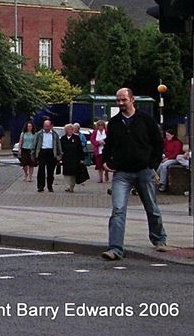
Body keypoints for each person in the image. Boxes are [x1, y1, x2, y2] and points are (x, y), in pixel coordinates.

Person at [101, 88, 170, 260]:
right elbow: (109, 144)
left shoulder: (146, 120)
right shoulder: (115, 122)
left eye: (123, 100)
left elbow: (157, 143)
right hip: (122, 172)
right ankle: (115, 248)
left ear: (132, 99)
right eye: (118, 100)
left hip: (144, 170)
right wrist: (105, 161)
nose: (120, 103)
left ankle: (159, 239)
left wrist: (152, 164)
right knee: (118, 209)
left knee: (152, 207)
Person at [35, 119, 62, 192]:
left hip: (51, 152)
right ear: (43, 126)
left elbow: (58, 144)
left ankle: (50, 185)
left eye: (48, 126)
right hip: (42, 152)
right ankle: (40, 186)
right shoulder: (39, 134)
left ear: (50, 126)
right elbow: (35, 144)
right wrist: (34, 154)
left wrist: (59, 155)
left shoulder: (54, 134)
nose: (46, 128)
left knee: (50, 171)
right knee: (41, 170)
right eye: (45, 126)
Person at [60, 123, 84, 192]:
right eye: (68, 129)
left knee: (73, 173)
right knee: (66, 172)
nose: (69, 131)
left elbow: (80, 148)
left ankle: (71, 186)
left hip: (75, 158)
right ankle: (67, 186)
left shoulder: (76, 138)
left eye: (71, 129)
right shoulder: (63, 138)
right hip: (66, 158)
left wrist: (81, 159)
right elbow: (61, 148)